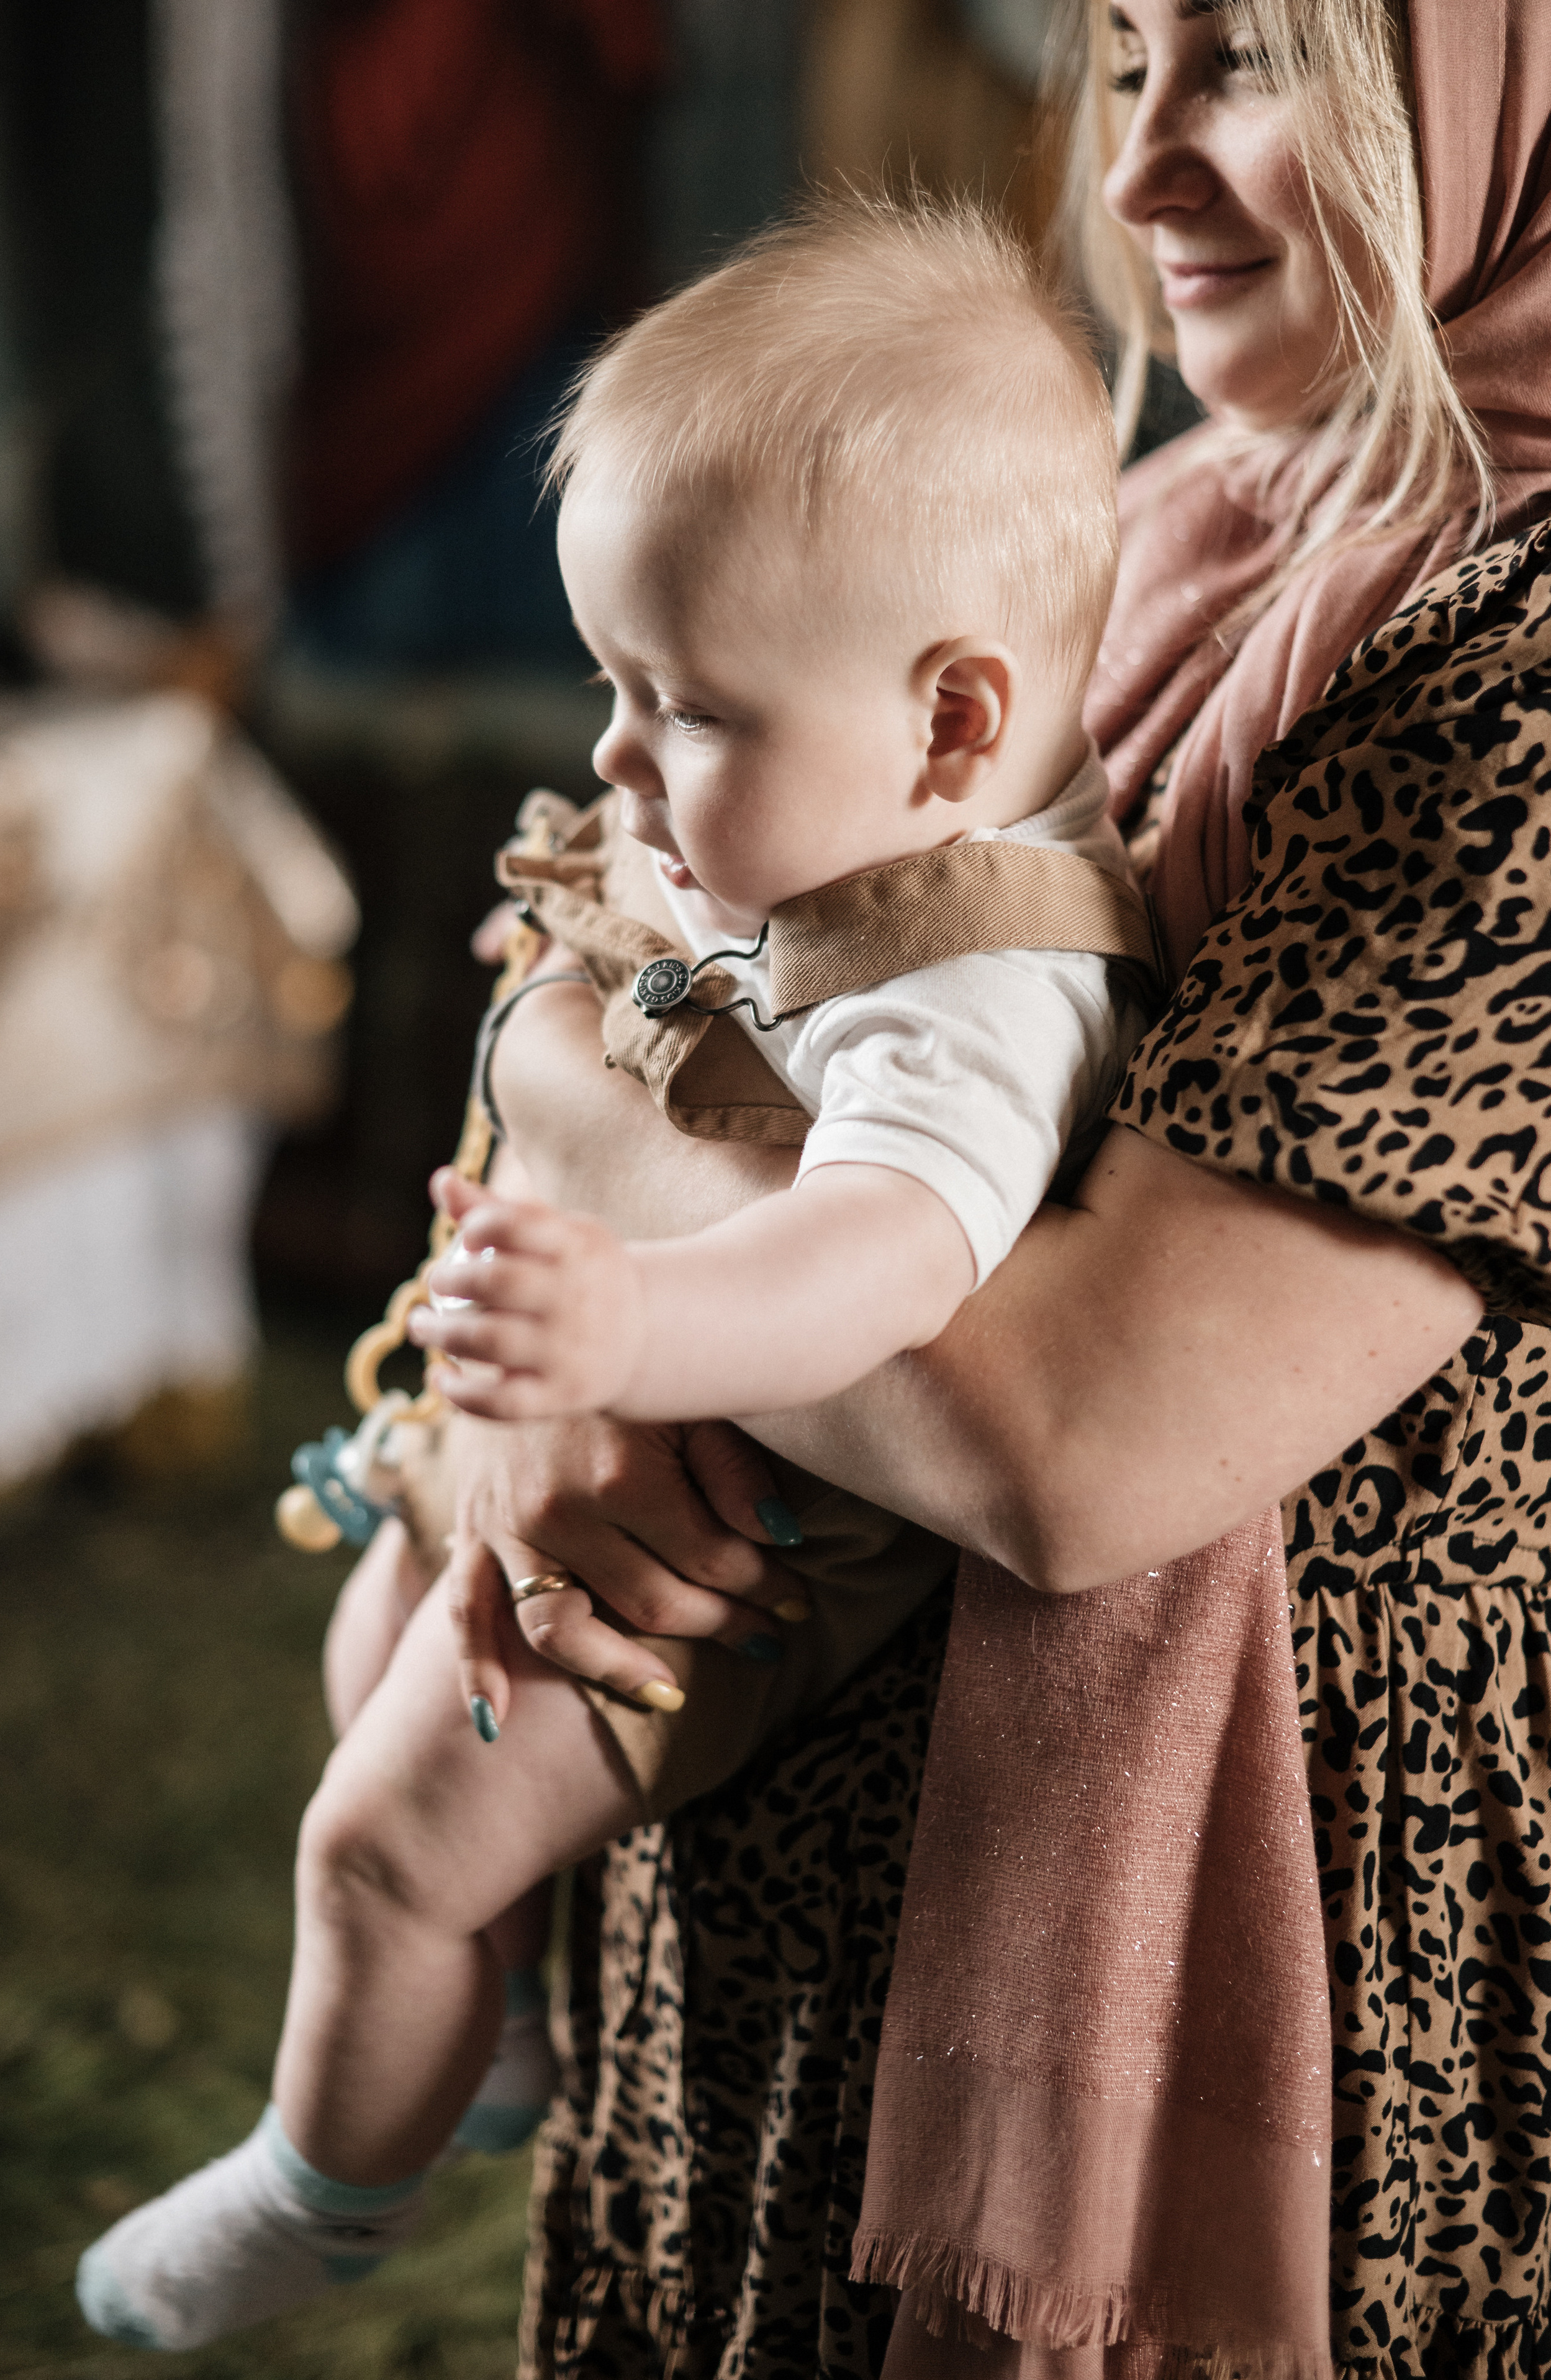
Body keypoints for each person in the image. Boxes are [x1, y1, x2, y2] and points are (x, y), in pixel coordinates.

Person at [401, 3, 1551, 2375]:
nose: (1137, 173)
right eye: (1124, 60)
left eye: (1250, 61)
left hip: (1249, 1970)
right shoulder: (1155, 525)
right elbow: (608, 922)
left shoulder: (1523, 662)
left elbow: (1079, 1440)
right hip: (787, 1867)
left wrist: (591, 1199)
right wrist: (508, 1403)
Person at [75, 196, 1152, 2354]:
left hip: (739, 1543)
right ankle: (474, 2041)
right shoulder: (846, 827)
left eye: (683, 705)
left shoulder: (976, 985)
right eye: (615, 686)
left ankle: (321, 2186)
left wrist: (634, 1320)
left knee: (374, 1846)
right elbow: (632, 964)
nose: (616, 759)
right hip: (648, 1431)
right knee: (384, 1614)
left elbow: (890, 1255)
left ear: (955, 726)